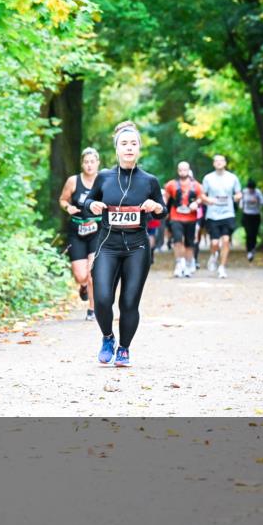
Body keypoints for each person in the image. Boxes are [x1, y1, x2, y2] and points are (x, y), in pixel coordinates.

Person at [83, 121, 167, 367]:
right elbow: (87, 203)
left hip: (137, 248)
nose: (129, 148)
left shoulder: (149, 181)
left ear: (139, 149)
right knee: (101, 298)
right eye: (124, 144)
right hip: (107, 246)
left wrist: (156, 207)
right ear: (117, 149)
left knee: (129, 302)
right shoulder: (104, 177)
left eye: (133, 144)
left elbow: (162, 212)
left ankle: (124, 348)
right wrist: (92, 206)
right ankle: (108, 337)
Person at [59, 148, 102, 322]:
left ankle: (92, 309)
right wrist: (68, 207)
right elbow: (62, 199)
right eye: (86, 162)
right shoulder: (73, 181)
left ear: (97, 163)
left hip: (97, 230)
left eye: (92, 161)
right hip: (77, 231)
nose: (89, 165)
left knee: (93, 272)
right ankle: (83, 286)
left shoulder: (104, 180)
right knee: (80, 275)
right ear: (82, 164)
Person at [201, 155, 242, 278]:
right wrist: (208, 200)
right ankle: (213, 256)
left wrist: (237, 197)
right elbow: (202, 195)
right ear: (213, 164)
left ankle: (222, 267)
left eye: (221, 161)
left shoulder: (232, 177)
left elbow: (239, 193)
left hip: (228, 213)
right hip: (213, 214)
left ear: (225, 163)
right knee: (214, 242)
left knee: (225, 240)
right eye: (216, 161)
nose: (219, 163)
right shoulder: (208, 178)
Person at [163, 161, 205, 277]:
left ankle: (187, 265)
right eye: (181, 170)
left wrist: (196, 203)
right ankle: (179, 264)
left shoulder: (196, 185)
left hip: (191, 218)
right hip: (175, 217)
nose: (183, 172)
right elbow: (165, 199)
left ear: (189, 170)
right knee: (177, 240)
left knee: (189, 243)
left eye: (185, 170)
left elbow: (201, 198)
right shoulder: (171, 184)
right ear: (178, 171)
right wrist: (162, 209)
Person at [240, 179, 263, 262]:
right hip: (246, 215)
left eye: (252, 189)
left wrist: (257, 201)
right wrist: (243, 205)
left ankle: (253, 248)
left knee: (254, 233)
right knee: (248, 233)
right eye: (250, 189)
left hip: (255, 215)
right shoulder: (244, 192)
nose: (251, 191)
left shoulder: (257, 192)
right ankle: (249, 251)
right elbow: (241, 204)